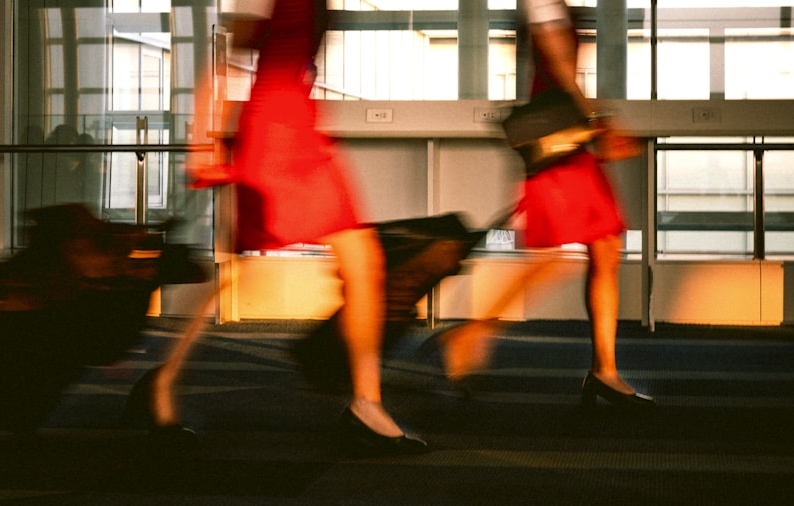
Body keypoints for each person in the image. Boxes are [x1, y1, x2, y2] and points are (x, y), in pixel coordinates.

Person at [179, 0, 426, 454]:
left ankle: (366, 403)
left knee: (362, 262)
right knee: (253, 264)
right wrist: (203, 138)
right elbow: (229, 53)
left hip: (297, 126)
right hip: (276, 131)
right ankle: (164, 380)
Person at [432, 0, 655, 409]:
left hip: (567, 137)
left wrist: (596, 124)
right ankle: (470, 333)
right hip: (560, 139)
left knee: (604, 248)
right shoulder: (545, 2)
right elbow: (559, 63)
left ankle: (604, 370)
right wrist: (599, 124)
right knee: (551, 259)